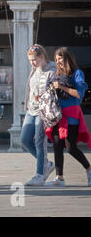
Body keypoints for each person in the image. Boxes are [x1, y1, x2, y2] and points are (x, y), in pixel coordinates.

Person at [45, 47, 91, 187]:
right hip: (57, 115)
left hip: (71, 115)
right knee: (57, 145)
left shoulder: (77, 73)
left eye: (61, 58)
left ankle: (89, 169)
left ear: (68, 59)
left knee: (71, 147)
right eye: (56, 59)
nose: (58, 62)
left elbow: (79, 94)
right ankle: (59, 177)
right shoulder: (56, 75)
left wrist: (62, 87)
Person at [21, 44, 56, 186]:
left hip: (43, 110)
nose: (32, 63)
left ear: (42, 57)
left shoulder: (52, 71)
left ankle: (39, 175)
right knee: (24, 139)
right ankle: (46, 164)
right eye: (30, 60)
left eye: (34, 60)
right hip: (31, 110)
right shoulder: (33, 70)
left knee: (39, 142)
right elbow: (30, 89)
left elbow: (54, 91)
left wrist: (43, 96)